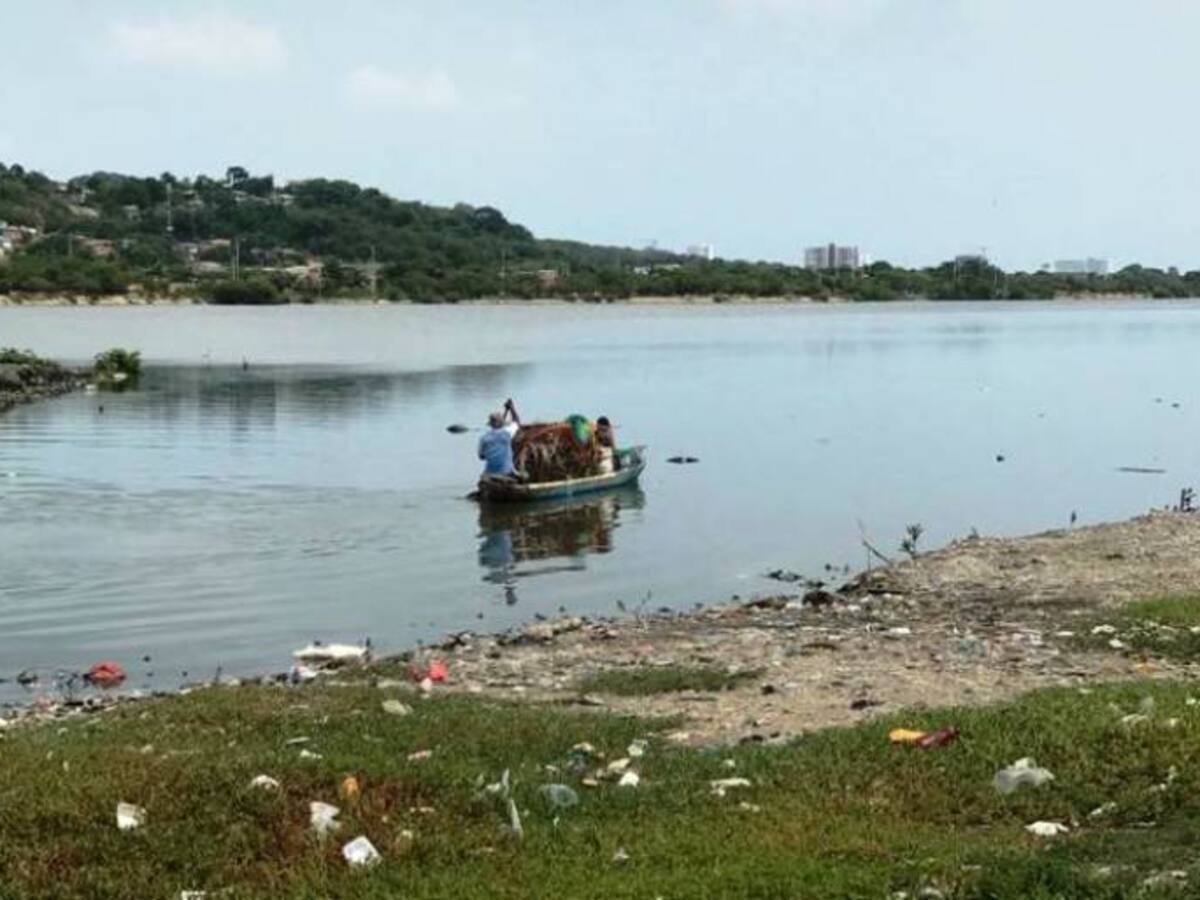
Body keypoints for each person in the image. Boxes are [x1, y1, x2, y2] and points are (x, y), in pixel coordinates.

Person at [478, 398, 521, 478]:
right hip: (506, 472)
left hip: (489, 472)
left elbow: (481, 456)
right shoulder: (507, 433)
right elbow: (517, 422)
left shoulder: (483, 438)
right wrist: (512, 408)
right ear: (502, 424)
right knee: (524, 475)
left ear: (490, 425)